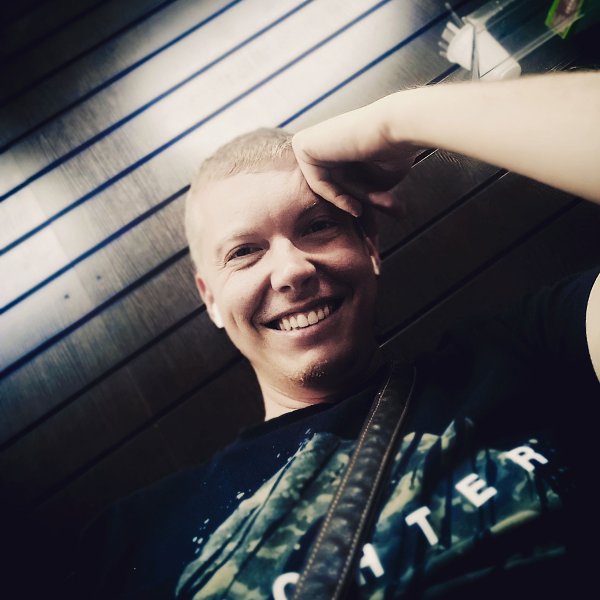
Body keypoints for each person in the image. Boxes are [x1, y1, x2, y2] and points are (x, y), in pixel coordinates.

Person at [66, 71, 599, 599]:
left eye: (318, 226)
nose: (292, 271)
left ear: (369, 246)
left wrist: (396, 121)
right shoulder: (127, 544)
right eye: (244, 252)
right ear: (211, 300)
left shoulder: (533, 350)